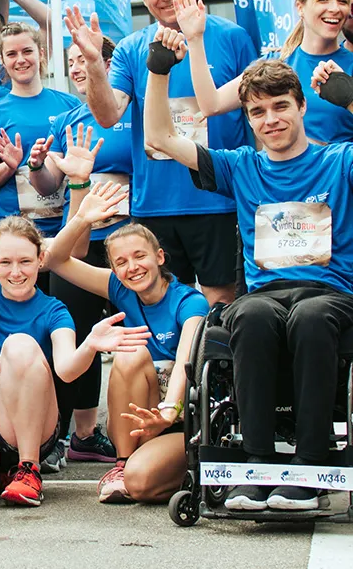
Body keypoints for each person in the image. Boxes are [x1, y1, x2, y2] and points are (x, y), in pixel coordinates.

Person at [144, 53, 353, 512]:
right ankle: (256, 468)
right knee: (251, 313)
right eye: (257, 111)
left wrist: (351, 99)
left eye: (280, 106)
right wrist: (158, 73)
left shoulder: (340, 160)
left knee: (312, 316)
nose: (270, 119)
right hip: (264, 296)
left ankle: (309, 466)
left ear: (301, 106)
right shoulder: (241, 166)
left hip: (329, 295)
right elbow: (159, 138)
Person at [0, 216, 149, 509]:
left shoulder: (53, 310)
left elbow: (66, 369)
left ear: (40, 260)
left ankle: (28, 469)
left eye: (25, 261)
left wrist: (89, 345)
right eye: (6, 262)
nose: (15, 272)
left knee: (19, 344)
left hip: (30, 429)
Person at [67, 0, 257, 306]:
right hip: (155, 204)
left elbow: (255, 114)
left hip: (218, 202)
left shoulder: (232, 37)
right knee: (163, 304)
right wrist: (94, 63)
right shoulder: (130, 48)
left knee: (223, 303)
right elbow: (109, 114)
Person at [43, 180, 208, 503]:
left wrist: (169, 409)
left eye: (139, 256)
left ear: (159, 257)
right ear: (114, 269)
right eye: (121, 262)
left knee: (141, 483)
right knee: (130, 354)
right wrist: (82, 220)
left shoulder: (189, 302)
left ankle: (186, 471)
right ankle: (123, 463)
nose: (132, 267)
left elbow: (186, 362)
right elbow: (55, 261)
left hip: (178, 421)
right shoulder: (119, 290)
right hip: (142, 420)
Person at [26, 35, 132, 461]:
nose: (76, 68)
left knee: (129, 335)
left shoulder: (130, 111)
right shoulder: (66, 120)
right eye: (69, 62)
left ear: (108, 64)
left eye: (83, 59)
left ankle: (125, 432)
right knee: (77, 334)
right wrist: (37, 166)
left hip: (128, 238)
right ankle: (69, 435)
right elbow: (50, 186)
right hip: (79, 241)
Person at [162, 0, 353, 145]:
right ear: (300, 7)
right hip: (283, 180)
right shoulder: (276, 63)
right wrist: (195, 39)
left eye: (342, 1)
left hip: (340, 179)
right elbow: (212, 105)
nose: (335, 8)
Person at [0, 23, 79, 231]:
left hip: (67, 222)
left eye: (27, 51)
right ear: (3, 61)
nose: (21, 60)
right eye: (12, 54)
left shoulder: (70, 105)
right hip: (14, 225)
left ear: (40, 54)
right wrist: (9, 166)